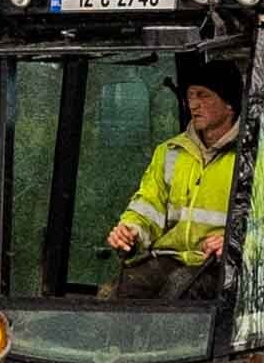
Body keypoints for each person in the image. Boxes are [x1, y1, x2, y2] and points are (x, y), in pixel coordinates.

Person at [103, 56, 245, 297]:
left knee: (182, 290)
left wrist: (234, 241)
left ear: (229, 104)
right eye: (191, 96)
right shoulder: (169, 152)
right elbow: (148, 206)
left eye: (204, 96)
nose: (194, 105)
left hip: (225, 265)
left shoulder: (255, 157)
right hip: (172, 258)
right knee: (120, 289)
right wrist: (130, 230)